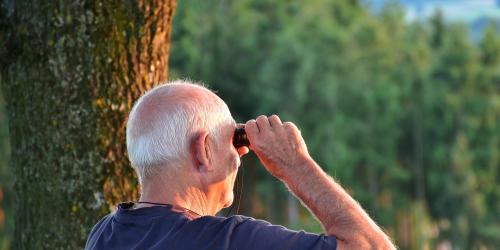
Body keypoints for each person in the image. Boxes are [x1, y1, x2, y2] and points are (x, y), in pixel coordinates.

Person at [85, 80, 395, 250]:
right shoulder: (229, 240)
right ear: (203, 151)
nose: (241, 154)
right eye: (233, 140)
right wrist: (295, 164)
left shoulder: (103, 235)